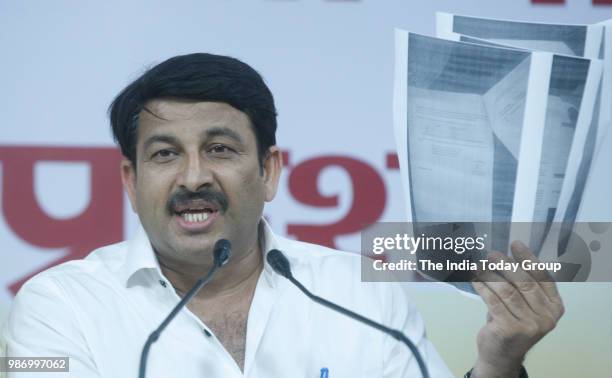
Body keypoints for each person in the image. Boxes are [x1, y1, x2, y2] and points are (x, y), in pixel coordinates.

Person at [2, 53, 564, 377]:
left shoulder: (357, 294)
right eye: (165, 153)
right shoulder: (60, 306)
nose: (193, 177)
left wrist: (499, 363)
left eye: (220, 149)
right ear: (131, 180)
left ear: (269, 171)